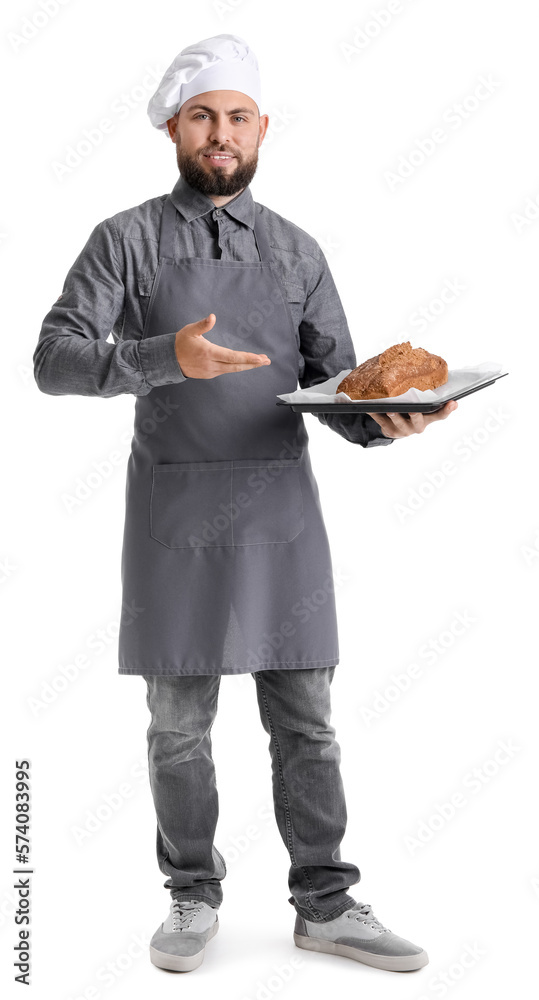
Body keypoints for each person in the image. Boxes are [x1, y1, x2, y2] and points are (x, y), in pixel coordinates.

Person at [34, 33, 458, 976]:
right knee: (178, 727)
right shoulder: (127, 241)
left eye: (235, 117)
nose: (220, 134)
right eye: (202, 117)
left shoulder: (297, 251)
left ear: (261, 127)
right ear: (174, 130)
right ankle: (190, 895)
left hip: (279, 517)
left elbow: (335, 386)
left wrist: (385, 422)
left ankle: (326, 902)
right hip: (175, 520)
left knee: (306, 721)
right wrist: (156, 359)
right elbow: (52, 360)